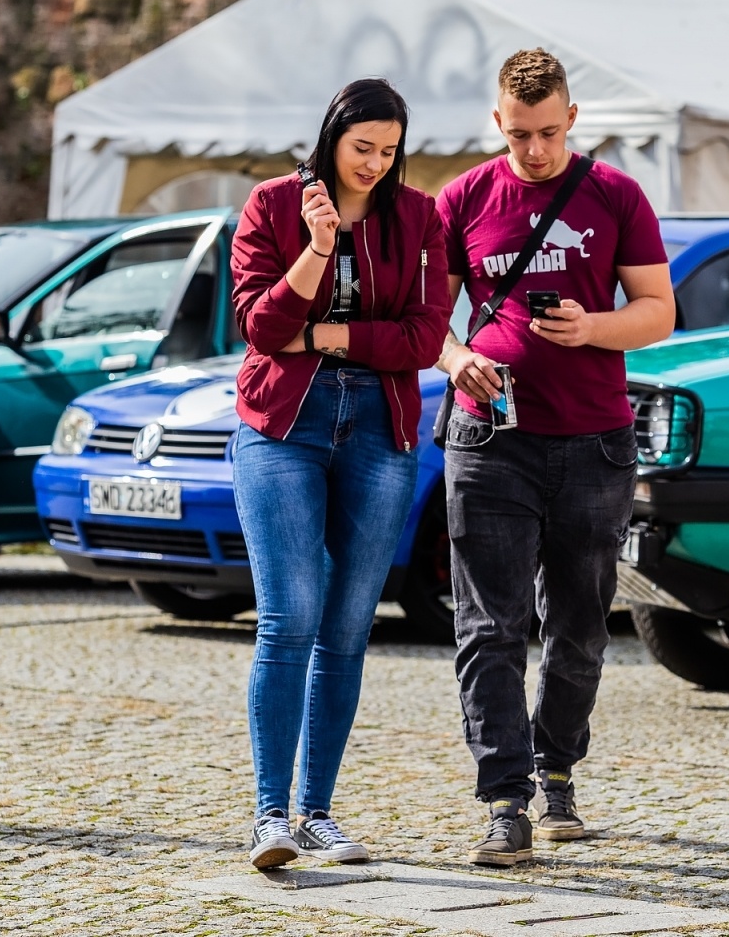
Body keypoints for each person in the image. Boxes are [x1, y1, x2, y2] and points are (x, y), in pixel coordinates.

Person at [436, 48, 674, 866]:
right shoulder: (464, 197)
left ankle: (557, 769)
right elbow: (426, 317)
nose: (534, 149)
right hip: (488, 441)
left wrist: (592, 327)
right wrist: (455, 358)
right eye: (519, 134)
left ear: (572, 118)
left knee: (579, 629)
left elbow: (658, 310)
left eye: (547, 132)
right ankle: (505, 802)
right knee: (489, 627)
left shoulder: (615, 194)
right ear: (497, 122)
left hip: (593, 442)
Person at [228, 78, 448, 871]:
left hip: (380, 429)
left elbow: (426, 337)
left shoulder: (419, 216)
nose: (375, 164)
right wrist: (318, 248)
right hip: (282, 427)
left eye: (389, 151)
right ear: (331, 137)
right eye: (363, 148)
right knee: (289, 617)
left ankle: (318, 810)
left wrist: (326, 336)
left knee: (349, 626)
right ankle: (270, 816)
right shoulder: (272, 206)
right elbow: (260, 327)